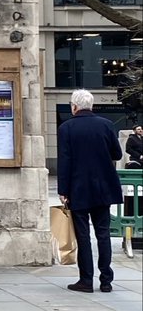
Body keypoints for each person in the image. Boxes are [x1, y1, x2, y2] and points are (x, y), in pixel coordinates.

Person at [56, 88, 123, 293]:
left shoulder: (66, 128)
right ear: (91, 105)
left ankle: (86, 279)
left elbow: (65, 161)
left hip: (78, 188)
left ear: (74, 106)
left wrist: (63, 190)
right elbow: (117, 154)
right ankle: (106, 280)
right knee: (103, 233)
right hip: (103, 188)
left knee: (83, 235)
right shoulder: (106, 125)